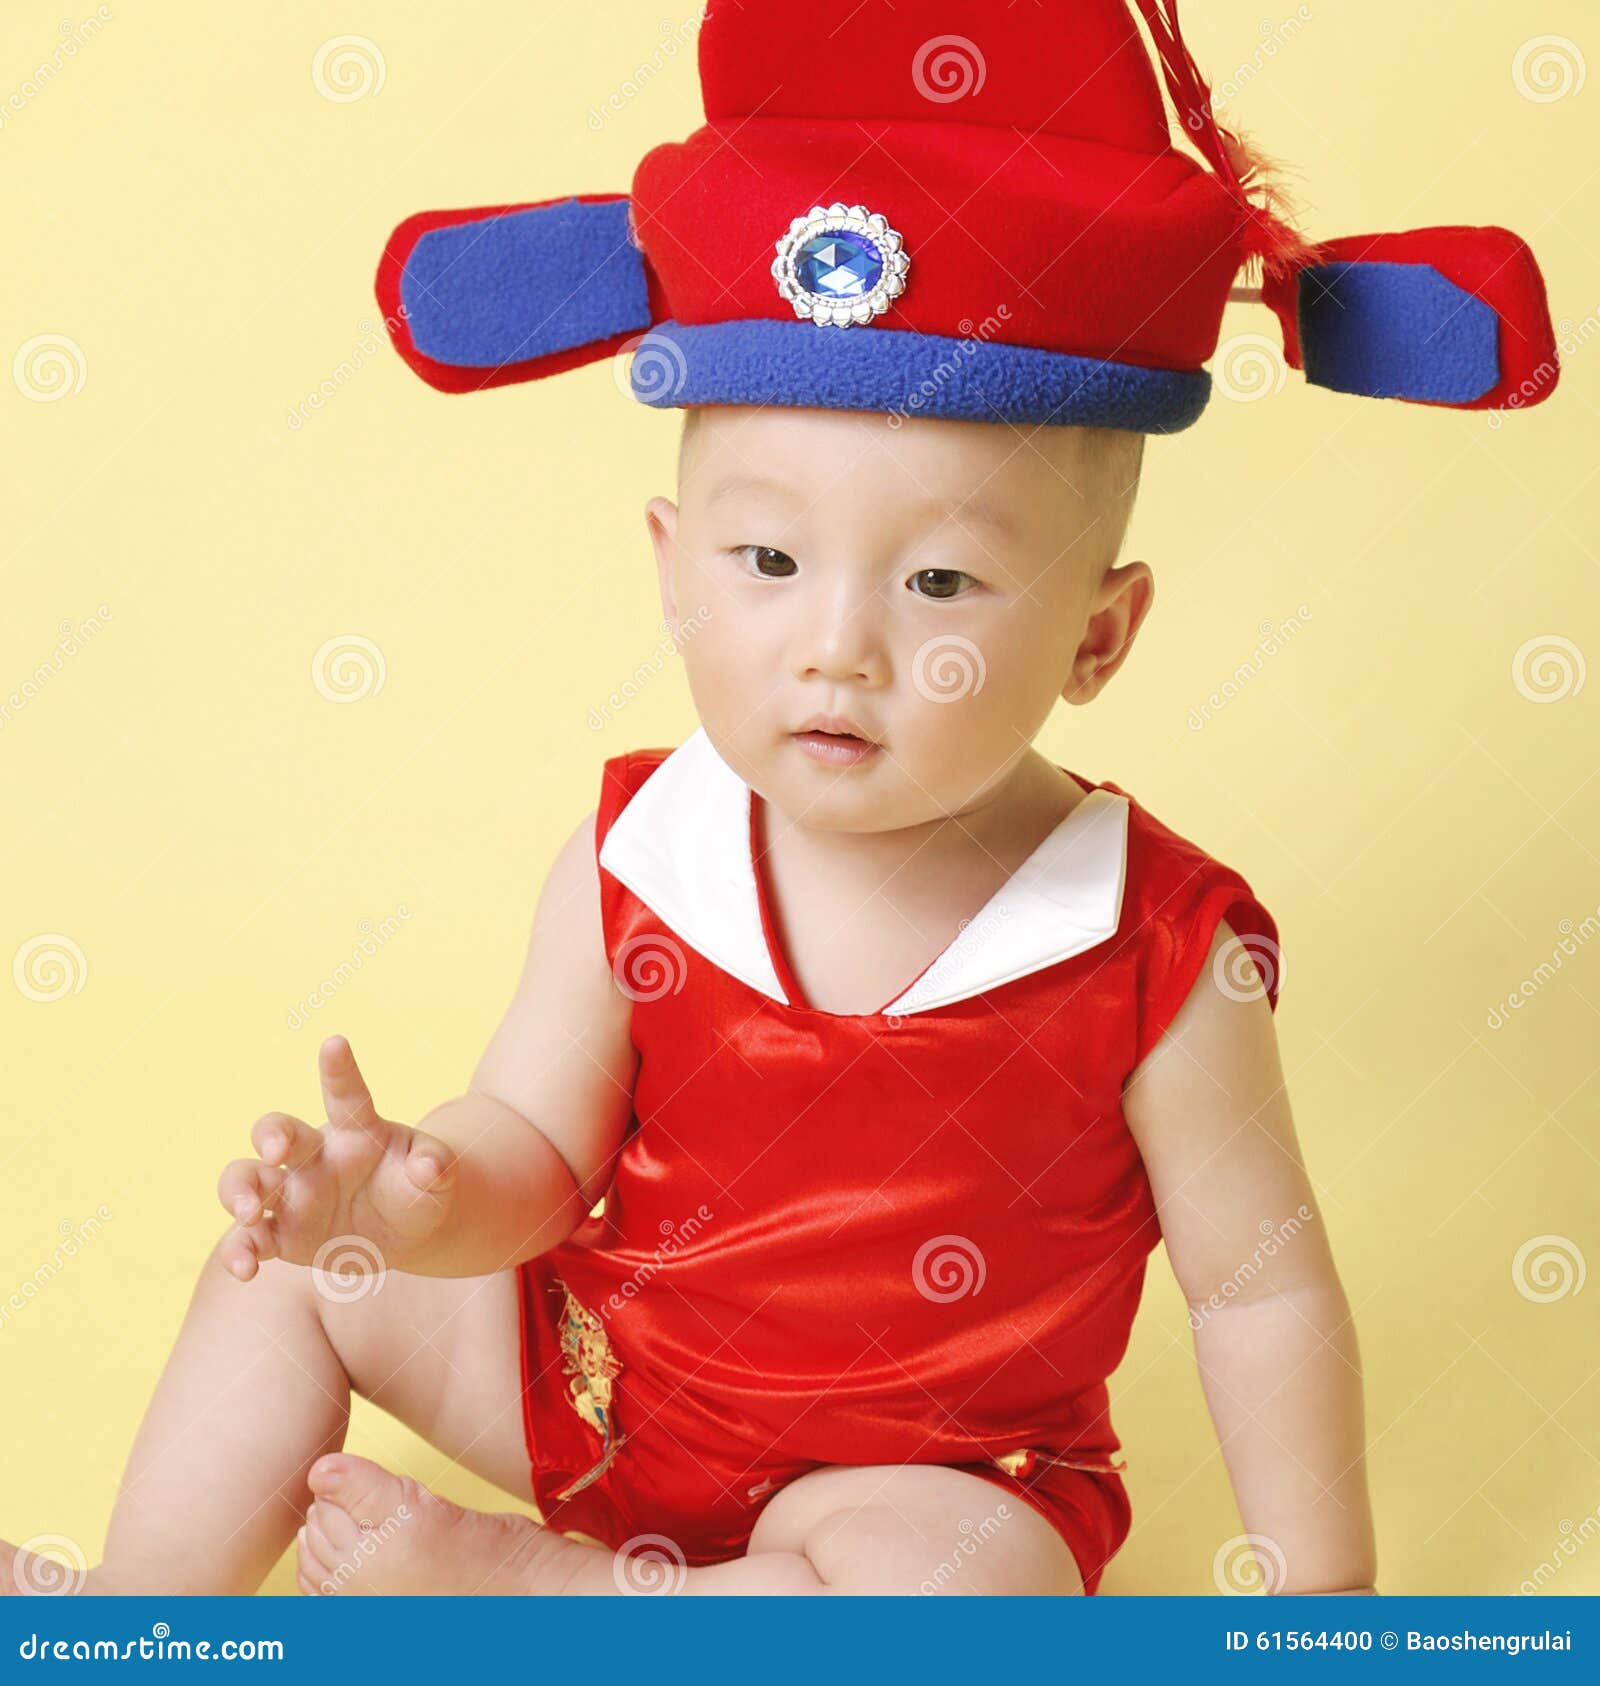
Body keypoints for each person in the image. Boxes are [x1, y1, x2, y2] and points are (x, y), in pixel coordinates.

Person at [3, 0, 1555, 1598]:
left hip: (913, 1481)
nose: (838, 650)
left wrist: (1327, 1604)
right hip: (602, 1390)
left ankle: (563, 1595)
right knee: (290, 1273)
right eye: (767, 562)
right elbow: (536, 1142)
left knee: (970, 1583)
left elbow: (1258, 1292)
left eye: (941, 579)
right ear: (670, 571)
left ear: (1099, 633)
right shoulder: (641, 858)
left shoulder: (1158, 949)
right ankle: (138, 1618)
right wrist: (415, 1192)